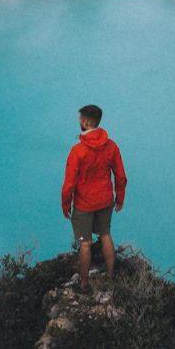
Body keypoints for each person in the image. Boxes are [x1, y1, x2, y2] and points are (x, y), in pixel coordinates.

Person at [61, 104, 127, 290]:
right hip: (105, 200)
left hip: (84, 205)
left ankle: (83, 284)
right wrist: (120, 198)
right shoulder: (111, 146)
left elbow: (69, 184)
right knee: (105, 234)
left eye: (80, 118)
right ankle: (111, 275)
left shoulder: (78, 151)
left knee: (85, 244)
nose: (79, 121)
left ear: (86, 122)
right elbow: (121, 176)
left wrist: (65, 205)